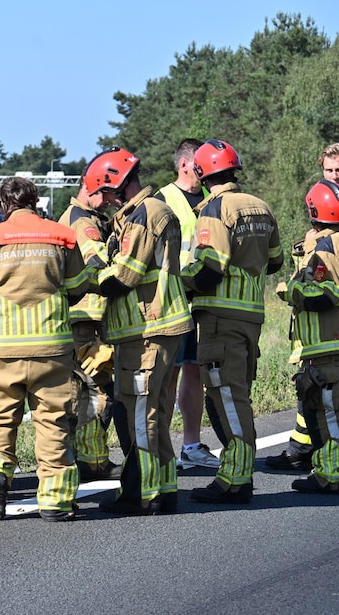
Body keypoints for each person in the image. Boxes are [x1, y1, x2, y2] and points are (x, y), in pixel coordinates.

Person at [0, 176, 91, 522]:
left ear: (3, 205)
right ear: (35, 202)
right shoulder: (62, 237)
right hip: (52, 350)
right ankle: (55, 503)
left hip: (1, 351)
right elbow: (78, 288)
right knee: (54, 423)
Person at [86, 148, 192, 515]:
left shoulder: (145, 215)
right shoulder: (146, 212)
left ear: (117, 185)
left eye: (108, 193)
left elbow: (124, 276)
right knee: (155, 411)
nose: (106, 202)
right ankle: (163, 488)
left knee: (140, 412)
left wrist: (87, 273)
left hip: (148, 328)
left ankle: (141, 494)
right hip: (156, 327)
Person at [182, 139, 283, 504]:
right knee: (238, 391)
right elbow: (274, 261)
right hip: (251, 315)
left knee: (225, 394)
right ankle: (236, 471)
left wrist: (181, 280)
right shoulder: (260, 205)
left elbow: (210, 268)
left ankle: (236, 478)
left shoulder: (213, 209)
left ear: (202, 173)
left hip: (219, 316)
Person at [264, 142, 339, 472]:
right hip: (315, 336)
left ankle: (323, 461)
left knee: (326, 393)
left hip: (329, 330)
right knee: (312, 387)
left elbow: (325, 289)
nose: (334, 177)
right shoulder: (318, 233)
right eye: (329, 171)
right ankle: (302, 446)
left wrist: (292, 289)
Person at [158, 138, 223, 470]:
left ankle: (192, 445)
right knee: (167, 376)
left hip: (205, 299)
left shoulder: (214, 198)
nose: (207, 169)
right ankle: (162, 448)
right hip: (173, 299)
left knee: (195, 371)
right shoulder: (164, 199)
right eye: (200, 164)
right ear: (184, 164)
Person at [58, 184, 122, 482]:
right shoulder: (82, 222)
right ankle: (92, 461)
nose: (111, 200)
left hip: (83, 317)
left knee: (85, 390)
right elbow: (97, 264)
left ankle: (85, 457)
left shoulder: (83, 217)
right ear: (89, 188)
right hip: (85, 319)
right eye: (106, 194)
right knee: (98, 389)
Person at [281, 179, 339, 494]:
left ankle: (329, 475)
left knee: (327, 414)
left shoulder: (325, 248)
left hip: (328, 346)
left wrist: (289, 290)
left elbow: (322, 290)